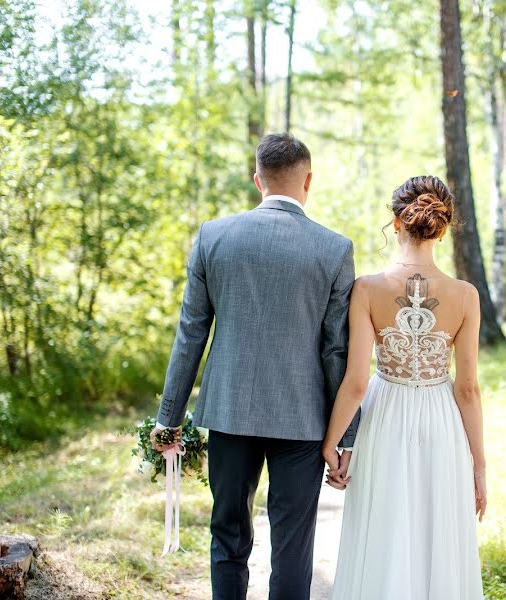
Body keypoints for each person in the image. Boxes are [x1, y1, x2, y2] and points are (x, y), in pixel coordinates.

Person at [150, 133, 359, 600]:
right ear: (308, 181)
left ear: (256, 179)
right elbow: (336, 352)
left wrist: (169, 417)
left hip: (228, 413)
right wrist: (346, 437)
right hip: (303, 421)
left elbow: (191, 334)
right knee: (292, 545)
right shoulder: (334, 249)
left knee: (227, 533)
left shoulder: (213, 236)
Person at [323, 175, 487, 599]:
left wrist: (333, 443)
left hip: (384, 417)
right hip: (441, 419)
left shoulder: (368, 289)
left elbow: (357, 383)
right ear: (444, 226)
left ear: (396, 222)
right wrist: (479, 465)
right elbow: (467, 390)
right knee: (436, 531)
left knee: (383, 528)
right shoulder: (465, 295)